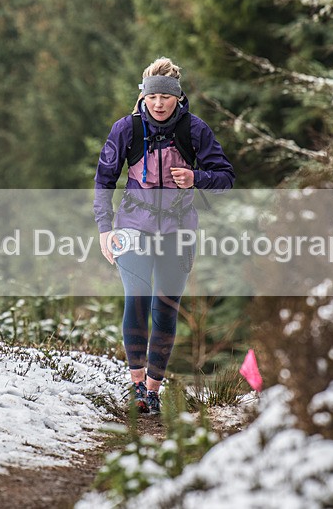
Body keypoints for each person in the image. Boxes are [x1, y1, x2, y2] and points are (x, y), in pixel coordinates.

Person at [93, 57, 235, 415]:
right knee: (137, 299)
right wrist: (104, 229)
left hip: (178, 229)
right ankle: (137, 383)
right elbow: (103, 181)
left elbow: (225, 177)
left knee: (166, 308)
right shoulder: (126, 129)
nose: (158, 104)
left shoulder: (194, 130)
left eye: (166, 98)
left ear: (177, 98)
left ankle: (153, 389)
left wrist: (195, 179)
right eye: (152, 97)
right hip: (132, 226)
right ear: (144, 96)